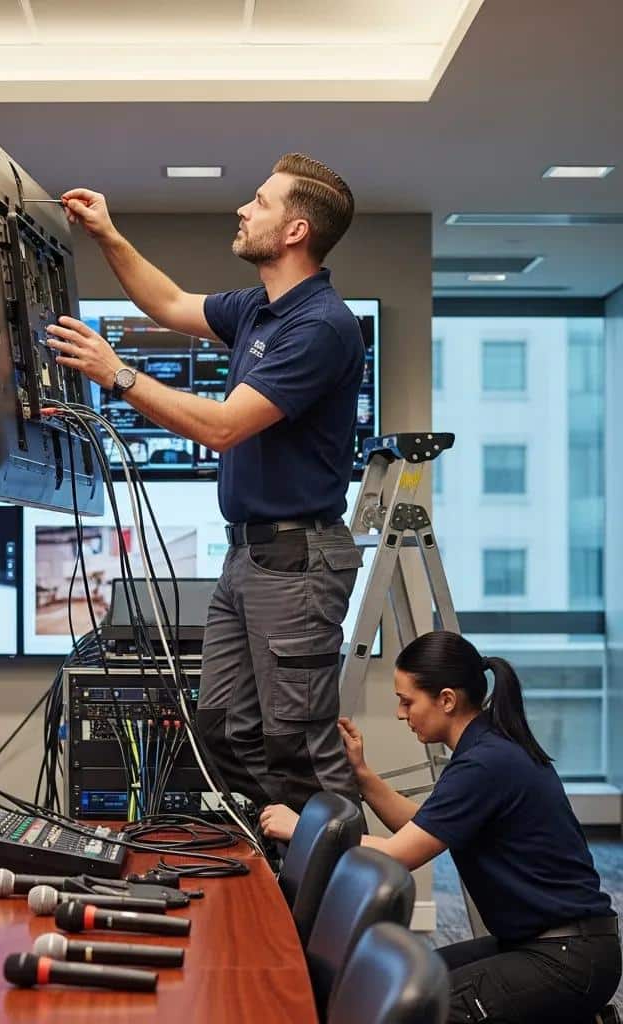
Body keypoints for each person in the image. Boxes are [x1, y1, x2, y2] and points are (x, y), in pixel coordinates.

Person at [44, 154, 365, 813]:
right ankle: (265, 886)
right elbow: (165, 301)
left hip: (297, 563)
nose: (244, 210)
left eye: (260, 202)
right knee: (224, 733)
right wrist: (107, 232)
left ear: (296, 230)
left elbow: (222, 428)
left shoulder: (321, 327)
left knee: (298, 750)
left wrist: (119, 375)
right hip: (248, 557)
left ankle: (330, 909)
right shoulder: (260, 308)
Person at [259, 631, 622, 1024]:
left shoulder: (485, 763)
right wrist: (362, 775)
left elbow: (398, 855)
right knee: (395, 987)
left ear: (446, 700)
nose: (401, 713)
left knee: (411, 1010)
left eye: (407, 701)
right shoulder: (485, 749)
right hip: (540, 943)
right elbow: (423, 826)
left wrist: (305, 830)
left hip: (567, 957)